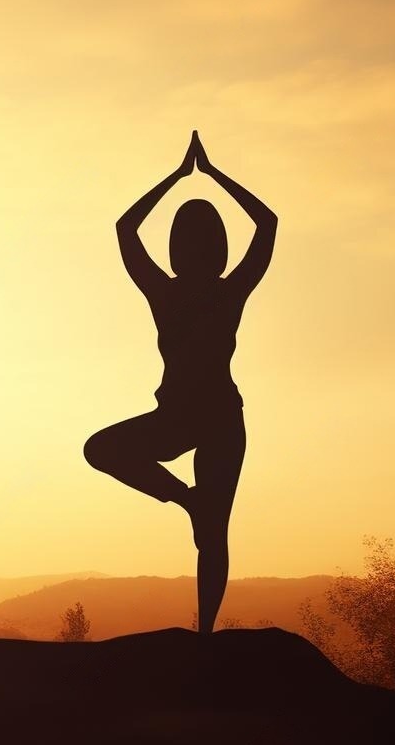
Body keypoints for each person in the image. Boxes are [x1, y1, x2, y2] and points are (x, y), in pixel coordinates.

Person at [85, 131, 276, 634]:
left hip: (218, 420)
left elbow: (268, 224)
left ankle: (206, 635)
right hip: (178, 418)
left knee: (214, 534)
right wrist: (192, 174)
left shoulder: (222, 292)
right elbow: (125, 229)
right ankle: (188, 500)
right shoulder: (170, 294)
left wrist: (199, 175)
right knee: (101, 449)